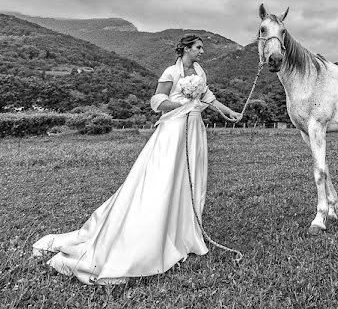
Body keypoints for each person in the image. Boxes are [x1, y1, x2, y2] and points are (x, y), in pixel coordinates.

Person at [32, 34, 242, 285]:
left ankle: (184, 232)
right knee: (164, 179)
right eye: (198, 47)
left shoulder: (199, 71)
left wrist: (230, 113)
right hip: (174, 131)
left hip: (194, 128)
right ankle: (153, 232)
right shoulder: (169, 72)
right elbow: (157, 101)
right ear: (186, 49)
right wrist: (180, 103)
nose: (202, 52)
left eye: (202, 48)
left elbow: (208, 98)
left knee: (189, 179)